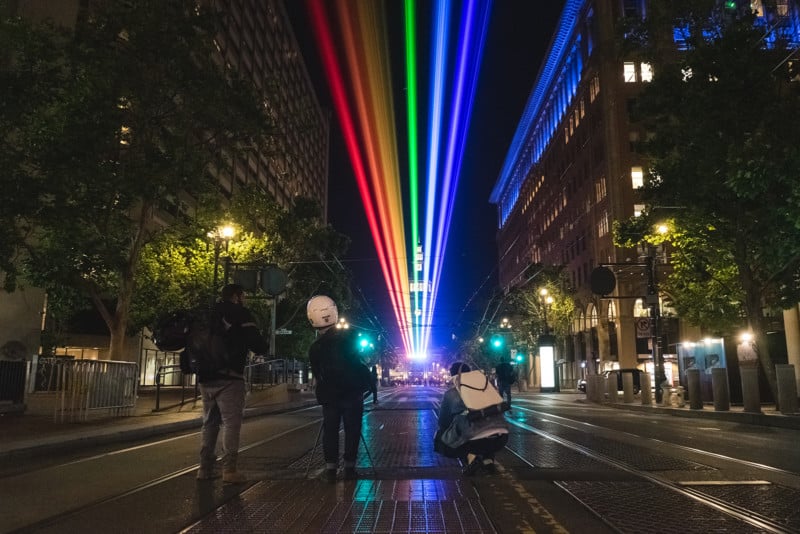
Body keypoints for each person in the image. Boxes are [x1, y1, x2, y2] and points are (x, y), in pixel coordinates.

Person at [197, 284, 269, 484]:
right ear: (237, 296)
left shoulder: (208, 313)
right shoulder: (241, 313)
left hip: (205, 376)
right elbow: (258, 345)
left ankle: (204, 468)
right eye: (243, 295)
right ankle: (229, 470)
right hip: (230, 377)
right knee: (231, 423)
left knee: (209, 422)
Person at [307, 295, 373, 483]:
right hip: (352, 393)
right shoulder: (349, 338)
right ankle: (350, 467)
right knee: (353, 429)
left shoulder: (315, 348)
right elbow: (360, 361)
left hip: (329, 395)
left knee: (330, 430)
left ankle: (330, 469)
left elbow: (317, 374)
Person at [434, 362, 509, 476]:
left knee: (441, 437)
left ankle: (470, 458)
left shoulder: (451, 394)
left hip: (472, 441)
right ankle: (487, 460)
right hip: (501, 438)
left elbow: (443, 421)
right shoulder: (488, 388)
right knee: (488, 424)